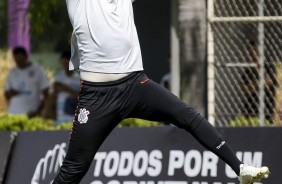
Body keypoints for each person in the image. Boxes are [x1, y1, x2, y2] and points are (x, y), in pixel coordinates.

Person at [53, 1, 270, 184]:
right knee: (72, 171)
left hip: (135, 86)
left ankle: (241, 169)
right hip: (97, 98)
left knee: (187, 115)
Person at [4, 47, 50, 118]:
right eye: (17, 60)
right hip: (13, 114)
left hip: (31, 113)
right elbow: (6, 95)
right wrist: (12, 93)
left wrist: (38, 111)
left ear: (26, 57)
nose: (19, 63)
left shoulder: (38, 70)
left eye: (21, 60)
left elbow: (46, 94)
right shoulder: (12, 72)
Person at [241, 41, 277, 123]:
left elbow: (268, 81)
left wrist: (252, 86)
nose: (252, 53)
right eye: (250, 50)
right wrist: (259, 82)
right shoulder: (248, 70)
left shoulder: (269, 66)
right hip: (250, 110)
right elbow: (244, 91)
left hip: (266, 109)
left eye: (254, 50)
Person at [54, 51, 80, 124]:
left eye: (67, 64)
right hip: (60, 117)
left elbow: (82, 98)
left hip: (73, 118)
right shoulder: (58, 76)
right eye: (63, 64)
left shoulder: (78, 78)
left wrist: (68, 89)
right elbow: (54, 94)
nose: (65, 66)